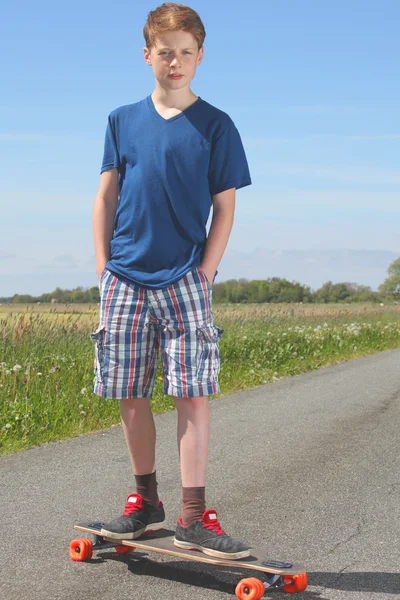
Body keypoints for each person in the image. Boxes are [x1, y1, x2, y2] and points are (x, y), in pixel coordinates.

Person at [91, 2, 252, 560]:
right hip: (125, 277)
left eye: (186, 53)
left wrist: (206, 270)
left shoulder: (216, 125)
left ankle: (192, 516)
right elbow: (107, 195)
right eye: (166, 53)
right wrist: (102, 262)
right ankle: (145, 501)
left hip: (185, 277)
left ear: (200, 57)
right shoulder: (121, 119)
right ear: (148, 56)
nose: (175, 62)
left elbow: (224, 208)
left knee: (193, 395)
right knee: (131, 395)